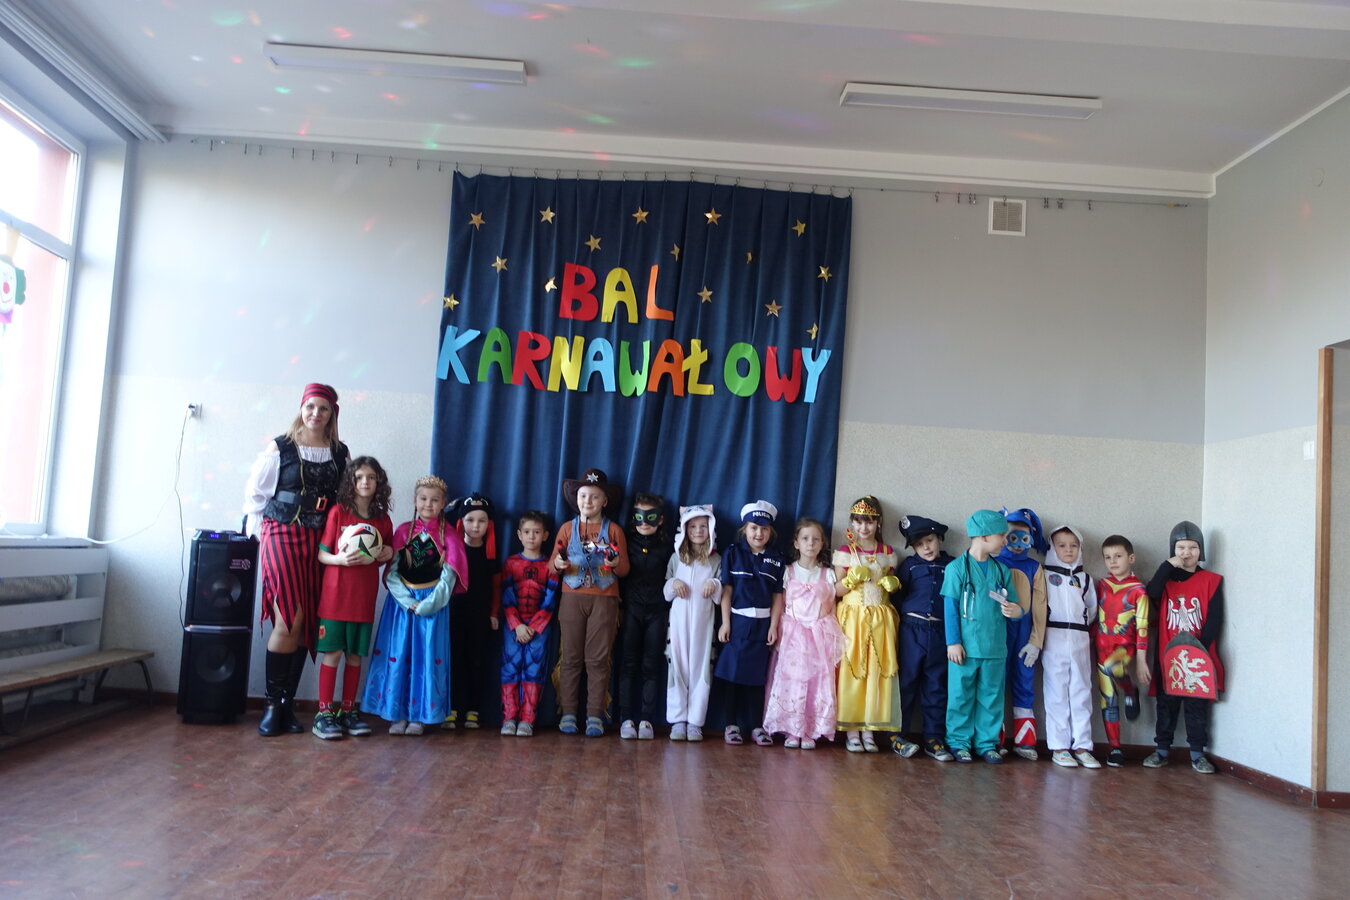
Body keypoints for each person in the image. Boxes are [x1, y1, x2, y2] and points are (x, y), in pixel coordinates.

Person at [243, 383, 350, 737]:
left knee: (307, 624)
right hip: (281, 533)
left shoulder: (340, 453)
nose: (316, 413)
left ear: (332, 413)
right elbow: (256, 496)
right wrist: (260, 536)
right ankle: (271, 706)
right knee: (289, 620)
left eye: (323, 408)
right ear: (301, 408)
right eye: (310, 407)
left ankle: (287, 705)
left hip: (320, 540)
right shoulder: (280, 447)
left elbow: (345, 499)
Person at [362, 475, 467, 734]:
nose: (428, 504)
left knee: (425, 659)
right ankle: (396, 714)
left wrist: (430, 604)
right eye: (423, 499)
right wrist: (408, 601)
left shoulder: (449, 535)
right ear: (415, 500)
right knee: (399, 656)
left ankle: (419, 716)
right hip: (401, 608)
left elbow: (449, 576)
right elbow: (392, 572)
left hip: (432, 608)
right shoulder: (403, 532)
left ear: (443, 503)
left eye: (435, 500)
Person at [311, 457, 395, 740]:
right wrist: (340, 559)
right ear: (351, 481)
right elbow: (322, 554)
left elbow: (386, 554)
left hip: (363, 597)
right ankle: (324, 713)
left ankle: (348, 710)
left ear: (378, 481)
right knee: (333, 653)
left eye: (370, 477)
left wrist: (389, 553)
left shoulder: (383, 520)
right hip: (335, 597)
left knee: (355, 655)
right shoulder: (338, 513)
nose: (365, 482)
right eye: (359, 477)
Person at [551, 468, 630, 737]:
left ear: (604, 501)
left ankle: (595, 714)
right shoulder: (566, 529)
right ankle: (569, 713)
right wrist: (558, 564)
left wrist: (615, 564)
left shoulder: (614, 530)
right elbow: (551, 567)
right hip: (572, 598)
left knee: (597, 660)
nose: (588, 501)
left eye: (595, 497)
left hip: (605, 600)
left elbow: (624, 570)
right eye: (584, 496)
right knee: (570, 658)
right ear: (576, 499)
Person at [943, 509, 1027, 763]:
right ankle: (958, 742)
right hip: (965, 649)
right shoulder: (956, 569)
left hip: (994, 648)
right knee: (960, 697)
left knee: (992, 698)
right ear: (984, 536)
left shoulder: (1001, 571)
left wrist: (1017, 611)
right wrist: (953, 642)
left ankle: (987, 743)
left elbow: (1015, 606)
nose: (1005, 541)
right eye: (1002, 535)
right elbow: (950, 609)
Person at [1143, 521, 1224, 774]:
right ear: (1173, 550)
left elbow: (1215, 618)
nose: (1187, 552)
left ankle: (1197, 754)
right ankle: (1162, 751)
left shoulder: (1211, 581)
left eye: (1192, 547)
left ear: (1201, 551)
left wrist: (1197, 649)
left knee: (1196, 707)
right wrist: (1167, 566)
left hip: (1199, 656)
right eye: (1180, 547)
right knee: (1166, 706)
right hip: (1168, 656)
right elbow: (1151, 593)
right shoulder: (1166, 581)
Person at [763, 518, 845, 749]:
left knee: (817, 682)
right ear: (796, 543)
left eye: (816, 539)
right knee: (793, 680)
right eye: (805, 539)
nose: (811, 543)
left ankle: (811, 730)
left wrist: (833, 636)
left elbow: (832, 607)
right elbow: (780, 602)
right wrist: (777, 629)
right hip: (793, 634)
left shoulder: (828, 574)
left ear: (822, 544)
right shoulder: (788, 572)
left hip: (819, 635)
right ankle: (792, 729)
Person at [832, 496, 902, 753]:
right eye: (859, 521)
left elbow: (890, 584)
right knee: (854, 669)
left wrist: (892, 585)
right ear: (852, 522)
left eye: (870, 522)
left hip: (880, 618)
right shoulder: (845, 552)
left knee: (876, 670)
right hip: (853, 619)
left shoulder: (888, 553)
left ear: (878, 523)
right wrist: (850, 580)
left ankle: (869, 729)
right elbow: (836, 590)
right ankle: (852, 730)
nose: (864, 527)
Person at [716, 500, 786, 746]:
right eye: (754, 528)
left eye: (764, 529)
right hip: (738, 622)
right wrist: (725, 623)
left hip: (762, 625)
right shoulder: (733, 553)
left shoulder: (777, 558)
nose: (759, 533)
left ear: (771, 531)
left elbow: (778, 595)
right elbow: (727, 590)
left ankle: (757, 725)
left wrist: (773, 626)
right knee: (732, 677)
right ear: (744, 529)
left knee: (757, 679)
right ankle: (731, 724)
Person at [892, 514, 955, 762]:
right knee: (906, 682)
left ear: (939, 539)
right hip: (912, 630)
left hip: (940, 632)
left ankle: (933, 738)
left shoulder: (952, 565)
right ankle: (898, 734)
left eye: (929, 541)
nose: (926, 548)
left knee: (936, 685)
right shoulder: (909, 566)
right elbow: (898, 596)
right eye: (919, 544)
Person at [1041, 525, 1100, 768]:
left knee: (1081, 690)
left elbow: (1092, 608)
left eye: (1074, 545)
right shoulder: (1043, 575)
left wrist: (1081, 626)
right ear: (1052, 548)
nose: (1068, 550)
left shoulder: (1085, 579)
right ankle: (1059, 746)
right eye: (1062, 545)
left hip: (1079, 637)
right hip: (1053, 636)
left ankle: (1083, 746)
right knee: (1056, 691)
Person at [663, 504, 722, 742]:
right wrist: (674, 584)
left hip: (704, 626)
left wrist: (714, 585)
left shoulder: (715, 559)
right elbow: (666, 591)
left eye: (703, 526)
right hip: (678, 626)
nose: (698, 531)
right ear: (685, 530)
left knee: (701, 670)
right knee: (677, 668)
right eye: (693, 527)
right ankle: (678, 720)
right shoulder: (676, 558)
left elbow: (722, 591)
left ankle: (696, 722)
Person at [618, 493, 674, 741]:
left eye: (651, 517)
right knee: (628, 663)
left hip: (656, 611)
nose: (645, 523)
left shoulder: (668, 547)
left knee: (651, 664)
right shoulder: (626, 542)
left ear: (660, 520)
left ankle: (647, 719)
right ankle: (625, 718)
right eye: (640, 517)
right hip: (631, 609)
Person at [995, 506, 1049, 760]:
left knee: (1025, 682)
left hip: (1024, 633)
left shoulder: (1033, 567)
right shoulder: (994, 563)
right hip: (998, 632)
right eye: (1012, 537)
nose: (1017, 544)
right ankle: (992, 738)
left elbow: (1040, 606)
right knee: (994, 683)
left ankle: (1025, 741)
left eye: (1023, 538)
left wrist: (1036, 641)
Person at [499, 510, 559, 737]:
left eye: (536, 532)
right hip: (513, 627)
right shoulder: (511, 563)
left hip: (538, 628)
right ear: (519, 535)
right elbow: (506, 596)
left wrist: (533, 627)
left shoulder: (550, 566)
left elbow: (550, 600)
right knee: (510, 669)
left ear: (545, 535)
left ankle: (527, 720)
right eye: (527, 532)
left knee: (534, 671)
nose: (531, 537)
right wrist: (517, 625)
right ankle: (509, 718)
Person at [445, 493, 501, 730]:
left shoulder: (491, 557)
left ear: (489, 525)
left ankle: (473, 710)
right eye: (470, 520)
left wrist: (494, 613)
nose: (476, 526)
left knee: (476, 662)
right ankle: (453, 707)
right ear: (461, 522)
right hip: (455, 614)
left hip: (480, 616)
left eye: (481, 521)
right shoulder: (452, 553)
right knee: (454, 659)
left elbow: (496, 588)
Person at [1096, 534, 1150, 767]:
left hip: (1124, 649)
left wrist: (1141, 661)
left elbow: (1143, 627)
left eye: (1118, 556)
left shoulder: (1139, 591)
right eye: (1108, 557)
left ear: (1131, 558)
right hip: (1100, 648)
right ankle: (1115, 748)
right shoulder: (1101, 585)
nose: (1113, 561)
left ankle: (1130, 690)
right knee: (1107, 699)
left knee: (1112, 667)